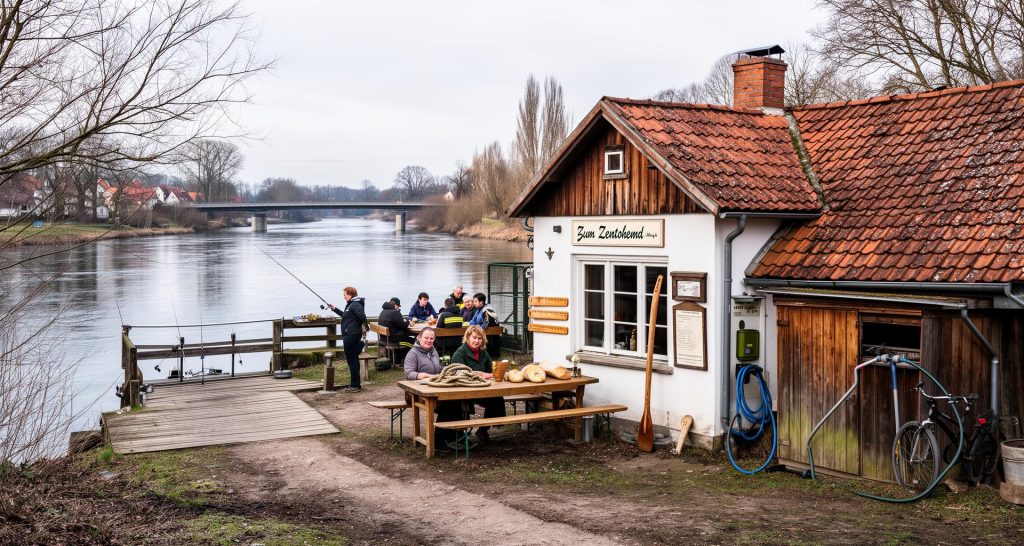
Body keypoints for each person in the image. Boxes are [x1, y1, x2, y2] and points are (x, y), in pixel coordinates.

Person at [403, 327, 461, 451]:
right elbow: (408, 373)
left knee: (457, 401)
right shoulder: (412, 353)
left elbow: (438, 368)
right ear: (419, 338)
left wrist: (447, 371)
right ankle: (438, 441)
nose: (429, 341)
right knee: (447, 405)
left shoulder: (433, 351)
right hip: (416, 393)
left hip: (434, 389)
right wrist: (421, 375)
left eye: (431, 338)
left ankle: (454, 437)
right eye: (426, 338)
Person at [451, 325, 506, 443]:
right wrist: (480, 374)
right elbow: (459, 374)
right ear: (467, 337)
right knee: (492, 399)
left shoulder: (483, 352)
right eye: (474, 338)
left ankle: (483, 429)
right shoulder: (459, 353)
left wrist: (498, 371)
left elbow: (491, 370)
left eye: (480, 338)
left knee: (497, 398)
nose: (477, 341)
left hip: (482, 388)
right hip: (463, 390)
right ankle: (460, 435)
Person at [327, 286, 367, 393]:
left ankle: (355, 386)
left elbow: (362, 316)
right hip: (350, 335)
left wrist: (365, 327)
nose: (344, 296)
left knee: (351, 361)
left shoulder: (355, 304)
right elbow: (346, 316)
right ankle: (356, 384)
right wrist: (334, 309)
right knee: (353, 359)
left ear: (350, 294)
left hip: (351, 335)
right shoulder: (351, 304)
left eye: (345, 294)